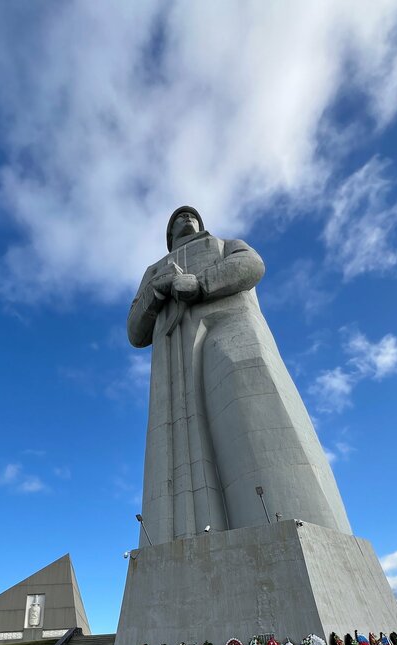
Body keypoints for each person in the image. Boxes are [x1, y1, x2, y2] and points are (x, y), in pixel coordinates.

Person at [127, 205, 351, 546]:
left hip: (230, 326)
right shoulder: (153, 271)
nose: (184, 220)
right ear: (169, 235)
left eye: (190, 216)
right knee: (174, 452)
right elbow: (134, 331)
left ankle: (294, 529)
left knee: (252, 416)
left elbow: (251, 265)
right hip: (173, 359)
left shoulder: (224, 244)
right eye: (176, 219)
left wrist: (200, 283)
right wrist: (156, 291)